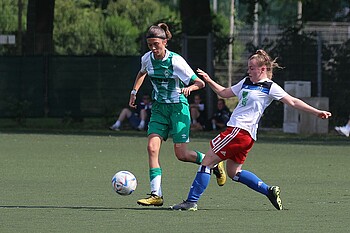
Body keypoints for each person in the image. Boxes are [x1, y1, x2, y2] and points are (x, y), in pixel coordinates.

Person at [171, 49, 332, 211]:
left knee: (206, 163)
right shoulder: (246, 81)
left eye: (251, 68)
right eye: (248, 67)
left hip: (238, 131)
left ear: (262, 69)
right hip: (245, 136)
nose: (248, 71)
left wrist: (317, 112)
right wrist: (208, 79)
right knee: (234, 172)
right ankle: (268, 190)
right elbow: (224, 93)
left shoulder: (270, 87)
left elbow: (293, 102)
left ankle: (191, 201)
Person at [128, 22, 226, 207]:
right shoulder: (147, 59)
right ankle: (156, 195)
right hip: (159, 109)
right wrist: (134, 92)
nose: (153, 48)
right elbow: (142, 73)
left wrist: (189, 88)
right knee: (152, 148)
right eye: (150, 45)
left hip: (178, 109)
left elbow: (200, 84)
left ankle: (212, 162)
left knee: (181, 155)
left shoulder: (176, 61)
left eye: (156, 44)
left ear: (165, 42)